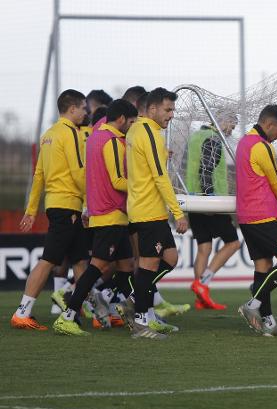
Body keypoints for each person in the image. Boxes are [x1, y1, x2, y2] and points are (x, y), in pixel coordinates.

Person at [52, 100, 138, 335]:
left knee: (126, 266)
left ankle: (127, 309)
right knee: (97, 267)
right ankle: (68, 314)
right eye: (131, 122)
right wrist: (144, 185)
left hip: (109, 214)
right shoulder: (112, 142)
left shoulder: (96, 137)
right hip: (110, 214)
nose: (131, 127)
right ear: (121, 119)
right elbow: (118, 181)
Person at [12, 89, 90, 330]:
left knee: (80, 261)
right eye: (84, 108)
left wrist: (32, 209)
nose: (86, 112)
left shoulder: (48, 135)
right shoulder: (72, 134)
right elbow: (79, 172)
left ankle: (77, 310)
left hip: (56, 204)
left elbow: (39, 176)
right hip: (68, 206)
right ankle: (22, 312)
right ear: (73, 109)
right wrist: (90, 202)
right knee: (49, 260)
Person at [124, 87, 189, 339]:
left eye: (173, 109)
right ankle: (142, 322)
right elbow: (160, 177)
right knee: (149, 265)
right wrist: (178, 213)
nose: (171, 115)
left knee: (170, 258)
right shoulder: (148, 132)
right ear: (152, 109)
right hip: (149, 210)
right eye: (167, 109)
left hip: (148, 209)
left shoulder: (138, 130)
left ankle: (141, 305)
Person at [236, 104, 277, 336]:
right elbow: (275, 181)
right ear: (269, 124)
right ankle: (252, 305)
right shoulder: (261, 147)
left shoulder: (244, 142)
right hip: (261, 215)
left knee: (263, 267)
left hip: (246, 216)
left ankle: (269, 323)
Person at [186, 112, 241, 310]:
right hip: (211, 202)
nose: (230, 131)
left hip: (193, 199)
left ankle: (200, 298)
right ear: (222, 120)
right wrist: (209, 199)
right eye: (231, 126)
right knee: (233, 243)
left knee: (204, 248)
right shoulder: (212, 139)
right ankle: (203, 283)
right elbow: (206, 170)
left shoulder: (194, 137)